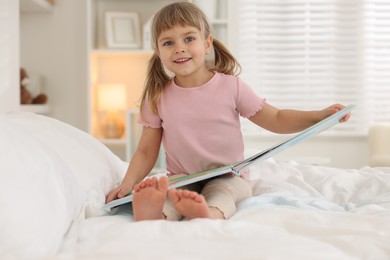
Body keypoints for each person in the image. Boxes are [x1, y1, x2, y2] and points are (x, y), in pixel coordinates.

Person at [106, 2, 350, 221]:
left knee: (223, 194)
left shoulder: (230, 86)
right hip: (183, 177)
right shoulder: (158, 95)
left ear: (207, 42)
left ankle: (208, 213)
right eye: (168, 42)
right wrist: (128, 184)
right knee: (172, 195)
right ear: (158, 52)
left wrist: (319, 115)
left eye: (189, 39)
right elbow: (147, 150)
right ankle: (157, 213)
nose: (179, 48)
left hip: (229, 176)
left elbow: (276, 118)